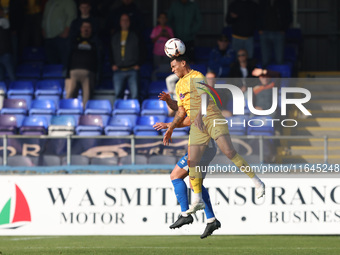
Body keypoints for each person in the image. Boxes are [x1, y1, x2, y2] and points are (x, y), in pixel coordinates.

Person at [163, 54, 265, 214]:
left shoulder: (197, 76)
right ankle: (197, 200)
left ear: (183, 63)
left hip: (211, 117)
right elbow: (181, 110)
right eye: (171, 68)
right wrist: (170, 107)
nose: (173, 70)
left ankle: (257, 182)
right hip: (198, 125)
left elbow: (204, 96)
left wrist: (197, 115)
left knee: (229, 152)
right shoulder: (179, 85)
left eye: (174, 66)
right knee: (192, 161)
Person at [153, 92, 221, 239]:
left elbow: (188, 120)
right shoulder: (193, 100)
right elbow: (180, 109)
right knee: (177, 176)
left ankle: (193, 216)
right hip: (200, 146)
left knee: (192, 182)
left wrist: (169, 125)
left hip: (203, 147)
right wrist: (169, 101)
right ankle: (208, 219)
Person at [66, 21, 102, 108]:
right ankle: (67, 117)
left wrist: (97, 75)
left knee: (87, 100)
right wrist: (67, 74)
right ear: (80, 29)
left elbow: (99, 58)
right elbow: (67, 56)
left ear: (91, 29)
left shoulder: (95, 41)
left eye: (88, 27)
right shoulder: (74, 40)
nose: (86, 29)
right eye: (84, 27)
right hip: (73, 73)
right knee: (69, 98)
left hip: (89, 74)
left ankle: (84, 119)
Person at [110, 13, 144, 100]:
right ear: (120, 22)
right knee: (118, 95)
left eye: (126, 20)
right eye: (123, 20)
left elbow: (143, 50)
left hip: (132, 69)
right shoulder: (115, 36)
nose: (124, 22)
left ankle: (135, 113)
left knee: (135, 95)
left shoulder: (135, 35)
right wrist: (112, 63)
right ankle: (118, 113)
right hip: (118, 70)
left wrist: (139, 64)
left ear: (129, 22)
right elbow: (110, 51)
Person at [257, 0, 292, 67]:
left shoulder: (284, 2)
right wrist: (259, 28)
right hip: (265, 33)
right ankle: (265, 76)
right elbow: (257, 14)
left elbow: (289, 16)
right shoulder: (262, 1)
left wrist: (284, 29)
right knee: (265, 60)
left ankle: (278, 76)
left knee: (279, 60)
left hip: (278, 33)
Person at [42, 0, 77, 66]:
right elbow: (44, 17)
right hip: (48, 37)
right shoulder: (49, 3)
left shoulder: (68, 2)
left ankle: (65, 75)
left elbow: (72, 17)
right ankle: (53, 76)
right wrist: (43, 28)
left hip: (61, 37)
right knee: (51, 62)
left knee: (65, 61)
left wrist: (67, 30)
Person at [150, 12, 174, 81]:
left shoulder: (169, 29)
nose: (162, 19)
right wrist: (160, 35)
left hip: (167, 54)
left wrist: (167, 35)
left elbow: (173, 42)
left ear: (166, 19)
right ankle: (157, 85)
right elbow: (152, 40)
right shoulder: (156, 29)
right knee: (157, 70)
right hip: (157, 54)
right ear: (158, 19)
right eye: (161, 18)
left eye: (164, 18)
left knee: (167, 70)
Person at [0, 5, 15, 81]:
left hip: (6, 54)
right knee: (0, 79)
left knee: (12, 76)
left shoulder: (4, 21)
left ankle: (17, 91)